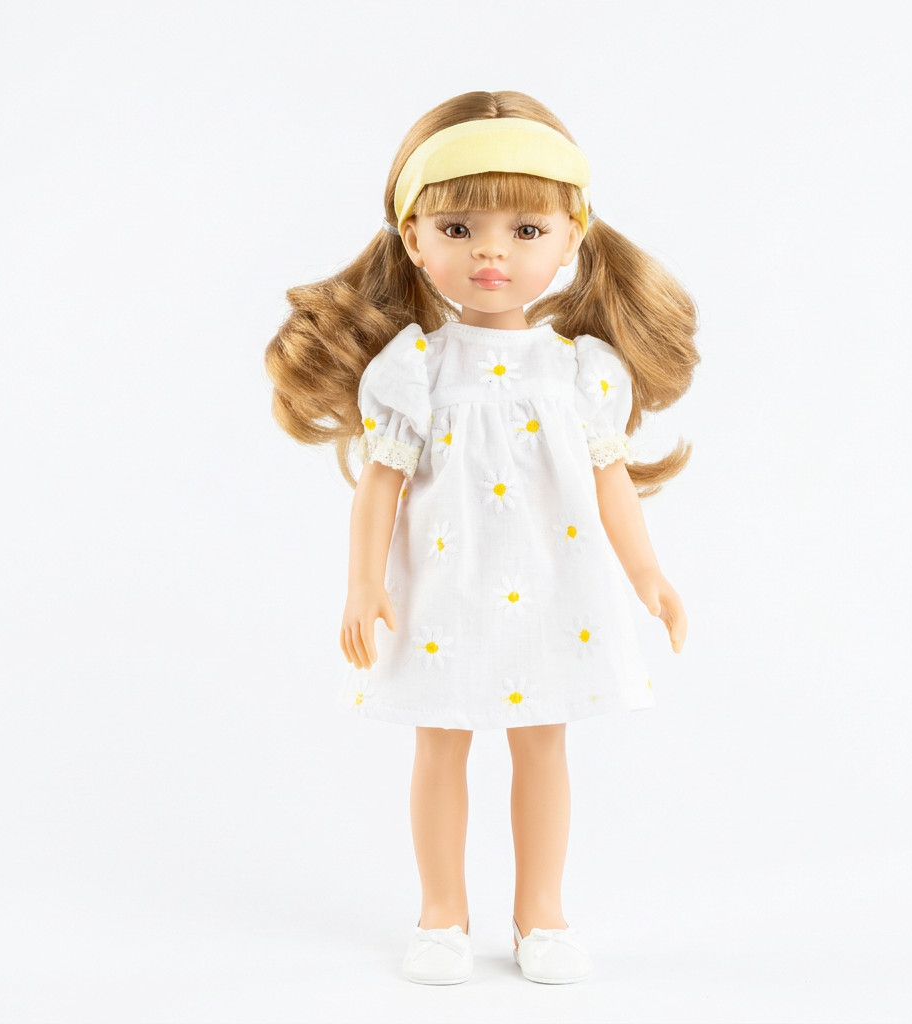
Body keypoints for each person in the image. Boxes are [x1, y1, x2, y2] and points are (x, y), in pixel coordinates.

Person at [265, 90, 699, 985]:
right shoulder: (414, 370)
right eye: (459, 229)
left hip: (553, 586)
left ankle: (542, 913)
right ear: (413, 239)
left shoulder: (582, 372)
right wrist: (362, 584)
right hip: (445, 589)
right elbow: (380, 485)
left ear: (572, 237)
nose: (492, 252)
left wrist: (648, 574)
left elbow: (609, 478)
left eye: (525, 229)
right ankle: (441, 915)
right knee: (441, 743)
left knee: (543, 743)